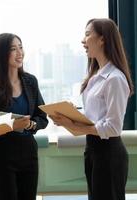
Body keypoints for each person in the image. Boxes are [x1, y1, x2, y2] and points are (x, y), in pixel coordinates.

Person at [50, 18, 134, 200]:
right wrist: (70, 115)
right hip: (94, 151)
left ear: (102, 39)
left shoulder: (114, 79)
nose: (83, 40)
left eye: (88, 35)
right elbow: (95, 116)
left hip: (109, 154)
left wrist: (73, 125)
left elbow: (113, 128)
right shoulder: (95, 76)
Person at [0, 33, 48, 200]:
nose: (20, 53)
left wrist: (30, 125)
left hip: (29, 153)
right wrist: (10, 125)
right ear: (1, 54)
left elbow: (42, 118)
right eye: (13, 49)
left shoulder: (31, 81)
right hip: (4, 156)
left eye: (21, 47)